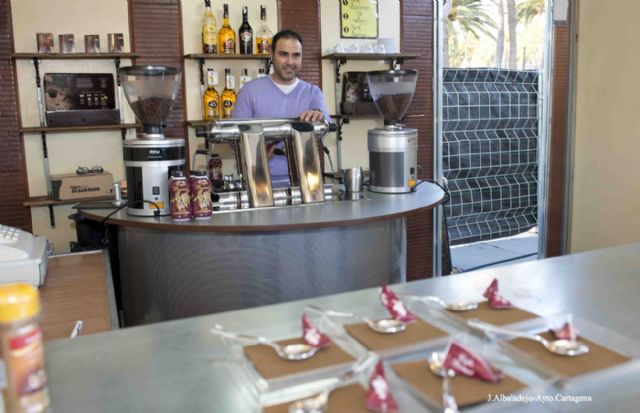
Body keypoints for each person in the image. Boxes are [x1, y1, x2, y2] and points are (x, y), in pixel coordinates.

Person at [232, 29, 331, 187]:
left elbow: (326, 125)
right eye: (283, 54)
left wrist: (318, 115)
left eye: (296, 55)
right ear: (271, 55)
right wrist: (256, 153)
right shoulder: (250, 91)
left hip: (306, 183)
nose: (290, 62)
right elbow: (234, 140)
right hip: (259, 182)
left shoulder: (313, 92)